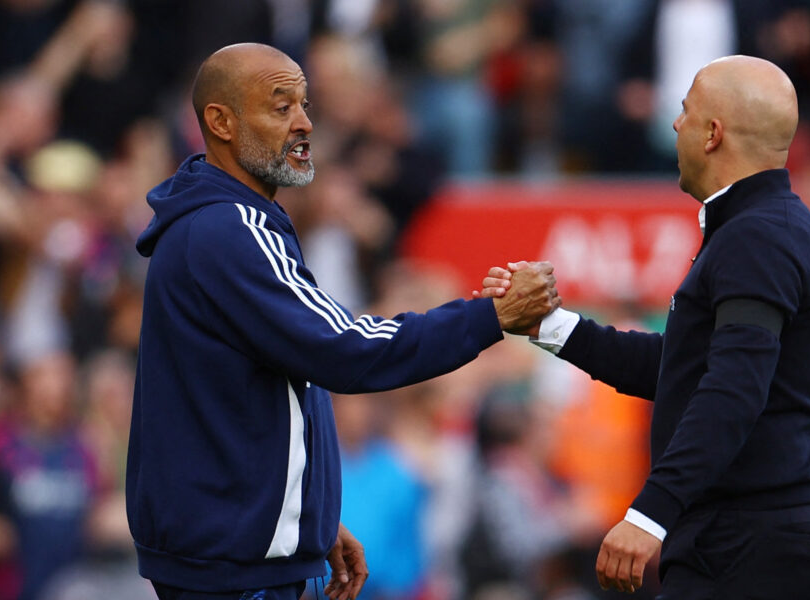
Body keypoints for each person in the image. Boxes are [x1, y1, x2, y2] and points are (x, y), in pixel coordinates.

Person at [126, 42, 559, 600]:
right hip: (232, 568)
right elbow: (346, 348)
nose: (305, 123)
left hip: (233, 554)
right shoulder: (230, 229)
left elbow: (244, 396)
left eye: (305, 106)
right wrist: (492, 316)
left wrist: (310, 519)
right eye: (281, 108)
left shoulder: (221, 222)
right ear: (221, 122)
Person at [478, 55, 810, 598]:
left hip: (747, 539)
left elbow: (733, 389)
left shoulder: (757, 237)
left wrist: (649, 514)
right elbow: (684, 370)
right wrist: (550, 325)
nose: (676, 125)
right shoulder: (762, 229)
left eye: (685, 111)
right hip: (757, 536)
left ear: (713, 134)